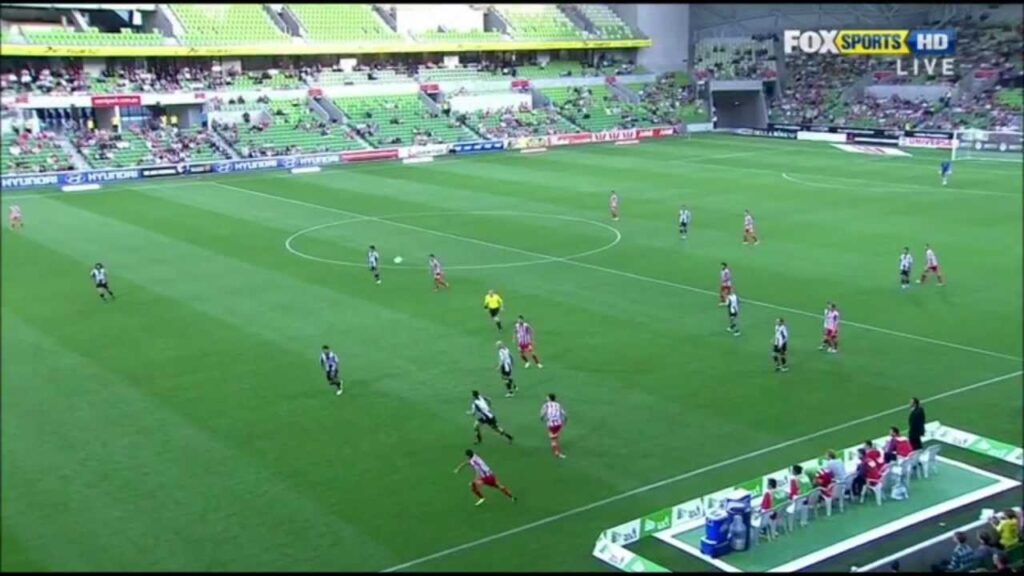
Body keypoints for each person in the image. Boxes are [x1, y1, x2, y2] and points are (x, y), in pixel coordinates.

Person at [540, 393, 567, 459]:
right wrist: (565, 421)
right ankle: (556, 450)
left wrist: (542, 419)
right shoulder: (558, 405)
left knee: (554, 439)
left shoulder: (545, 405)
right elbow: (564, 414)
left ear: (549, 398)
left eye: (547, 397)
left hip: (551, 424)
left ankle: (557, 452)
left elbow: (542, 414)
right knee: (555, 438)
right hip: (558, 424)